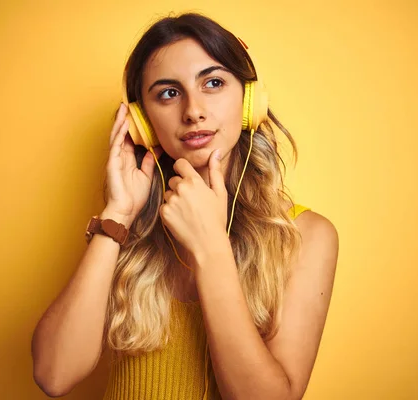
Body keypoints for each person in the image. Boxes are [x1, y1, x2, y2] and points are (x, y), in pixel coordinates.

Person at [31, 12, 339, 400]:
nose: (193, 110)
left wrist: (211, 247)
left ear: (248, 100)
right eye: (168, 93)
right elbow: (54, 374)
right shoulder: (129, 230)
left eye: (213, 83)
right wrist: (117, 214)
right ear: (142, 121)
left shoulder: (307, 235)